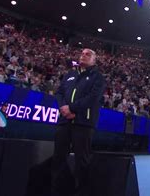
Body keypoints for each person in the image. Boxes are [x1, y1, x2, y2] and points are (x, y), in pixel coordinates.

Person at [51, 48, 106, 195]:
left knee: (82, 162)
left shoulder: (98, 78)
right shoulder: (70, 74)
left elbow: (93, 98)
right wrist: (63, 107)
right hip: (64, 122)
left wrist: (72, 109)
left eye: (88, 54)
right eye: (82, 53)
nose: (84, 55)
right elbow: (59, 92)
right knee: (58, 158)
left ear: (94, 60)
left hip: (84, 124)